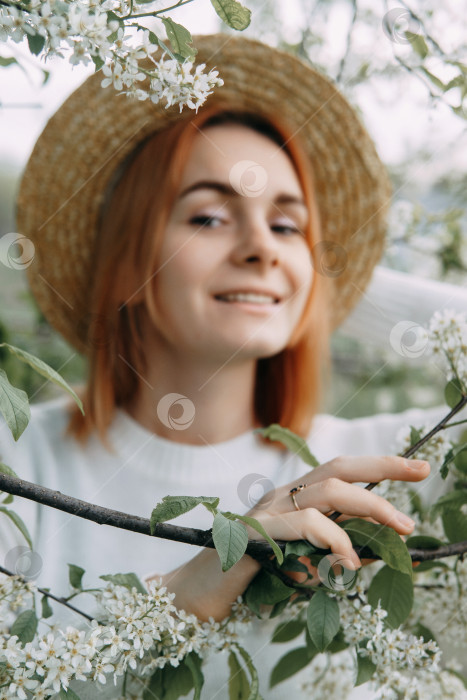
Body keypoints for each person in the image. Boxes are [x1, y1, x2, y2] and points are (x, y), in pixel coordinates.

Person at [1, 32, 464, 699]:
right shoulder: (20, 463)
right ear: (127, 256)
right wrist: (187, 592)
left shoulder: (387, 470)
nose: (260, 248)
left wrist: (340, 286)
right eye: (212, 217)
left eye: (286, 225)